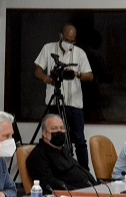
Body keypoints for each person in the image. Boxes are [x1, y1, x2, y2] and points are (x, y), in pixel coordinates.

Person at [34, 24, 93, 169]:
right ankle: (59, 169)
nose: (69, 44)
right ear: (60, 36)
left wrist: (76, 74)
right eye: (67, 39)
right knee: (55, 139)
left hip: (75, 103)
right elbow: (37, 71)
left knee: (79, 140)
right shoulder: (48, 48)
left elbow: (90, 76)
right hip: (55, 102)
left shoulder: (80, 53)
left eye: (72, 41)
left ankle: (84, 172)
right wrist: (46, 78)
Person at [26, 114, 96, 193]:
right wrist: (78, 192)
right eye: (54, 128)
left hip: (91, 191)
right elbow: (48, 184)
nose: (59, 131)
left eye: (62, 128)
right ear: (44, 133)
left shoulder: (63, 150)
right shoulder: (39, 154)